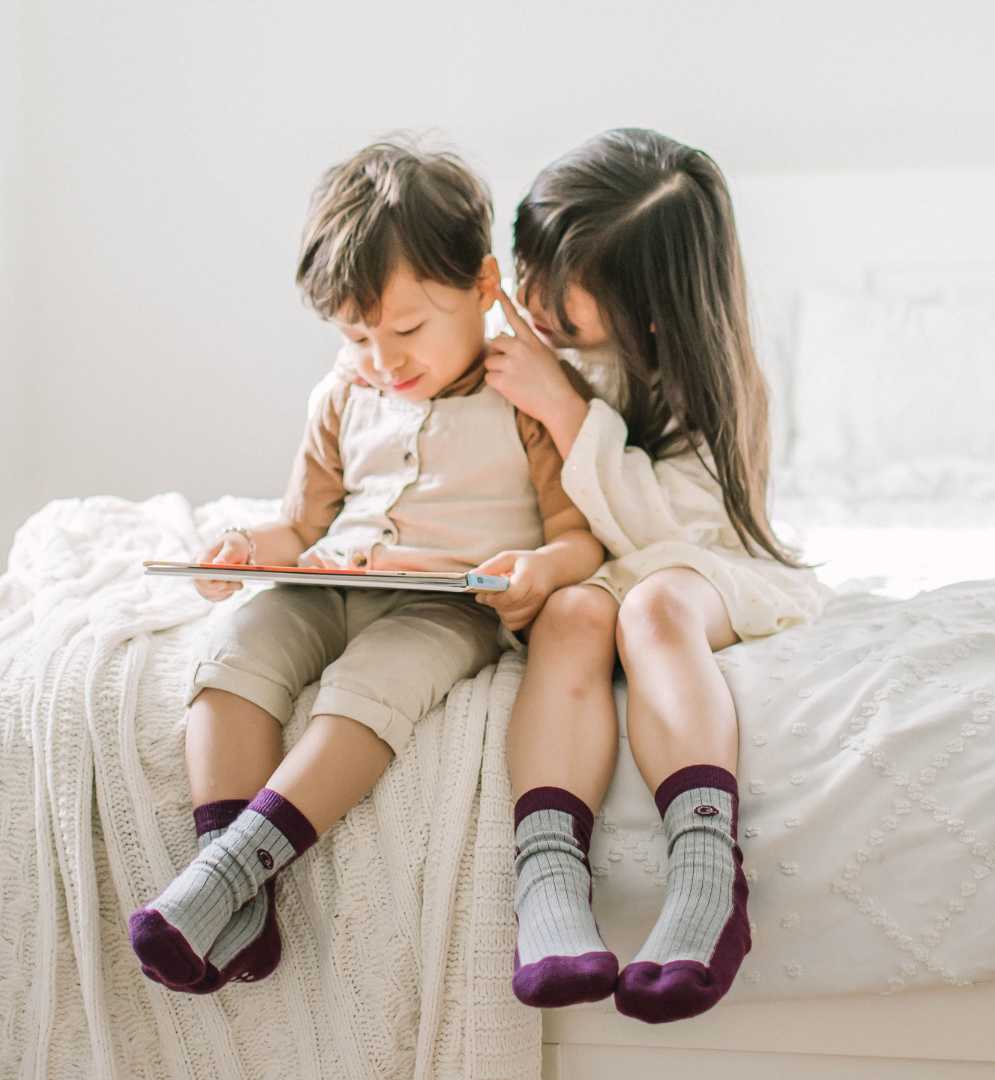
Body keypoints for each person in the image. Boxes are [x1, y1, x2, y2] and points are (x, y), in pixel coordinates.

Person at [127, 141, 605, 994]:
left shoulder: (524, 393)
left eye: (408, 328)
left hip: (448, 605)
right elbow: (300, 524)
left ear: (485, 288)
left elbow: (582, 539)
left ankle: (230, 875)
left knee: (366, 692)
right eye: (357, 333)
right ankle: (235, 904)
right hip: (335, 579)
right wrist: (243, 555)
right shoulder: (345, 392)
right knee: (233, 658)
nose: (384, 358)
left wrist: (538, 567)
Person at [483, 128, 831, 1023]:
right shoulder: (539, 339)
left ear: (648, 305)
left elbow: (667, 529)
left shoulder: (708, 375)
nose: (533, 302)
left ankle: (707, 877)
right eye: (529, 274)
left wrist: (563, 407)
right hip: (606, 567)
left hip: (707, 558)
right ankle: (550, 884)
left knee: (656, 606)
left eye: (561, 296)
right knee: (569, 619)